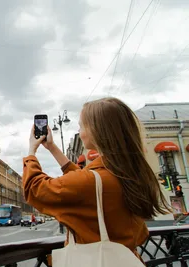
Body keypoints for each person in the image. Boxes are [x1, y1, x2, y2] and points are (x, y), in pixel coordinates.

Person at [23, 97, 171, 262]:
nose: (80, 132)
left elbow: (35, 190)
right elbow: (88, 179)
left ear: (97, 130)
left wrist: (31, 151)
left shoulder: (95, 180)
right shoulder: (126, 172)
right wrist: (52, 147)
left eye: (81, 126)